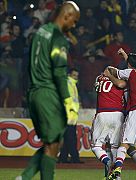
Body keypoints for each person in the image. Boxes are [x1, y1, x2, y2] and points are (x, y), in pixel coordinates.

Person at [16, 2, 80, 180]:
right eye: (74, 21)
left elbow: (29, 64)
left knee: (52, 143)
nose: (73, 25)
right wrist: (67, 100)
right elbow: (60, 73)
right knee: (53, 144)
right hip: (48, 92)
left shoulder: (41, 31)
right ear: (66, 16)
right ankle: (27, 177)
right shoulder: (58, 38)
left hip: (33, 92)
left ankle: (24, 177)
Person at [58, 68, 81, 163]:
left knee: (67, 138)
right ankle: (75, 158)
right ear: (69, 75)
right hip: (69, 116)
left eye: (76, 75)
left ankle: (63, 158)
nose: (75, 77)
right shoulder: (69, 84)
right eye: (74, 75)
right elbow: (68, 100)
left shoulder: (71, 84)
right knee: (71, 139)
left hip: (70, 116)